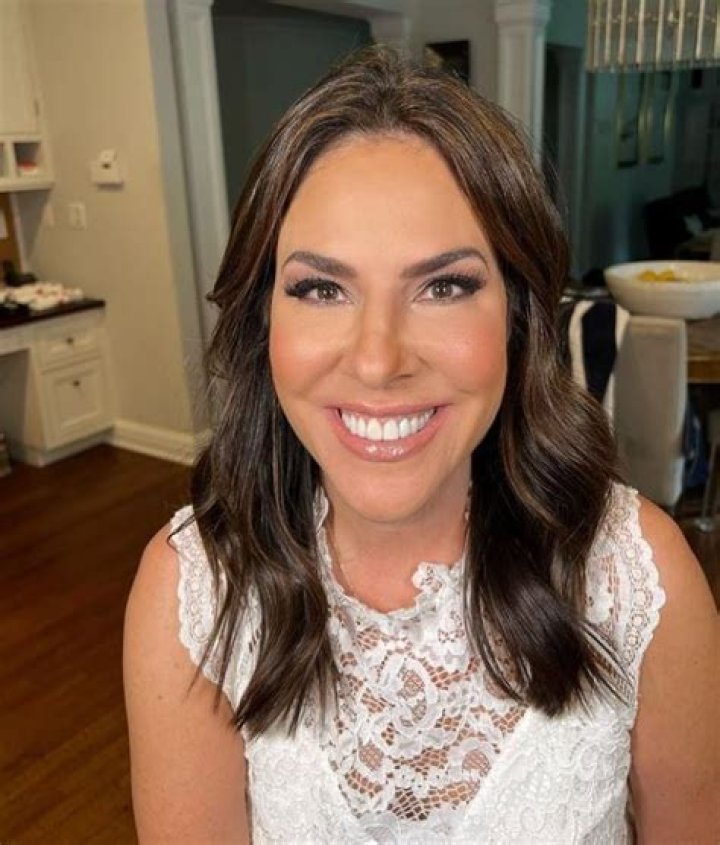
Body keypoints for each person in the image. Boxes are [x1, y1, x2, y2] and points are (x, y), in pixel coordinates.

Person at [123, 47, 719, 843]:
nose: (378, 360)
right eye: (321, 288)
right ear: (264, 318)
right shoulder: (194, 594)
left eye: (443, 286)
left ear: (517, 315)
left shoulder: (637, 578)